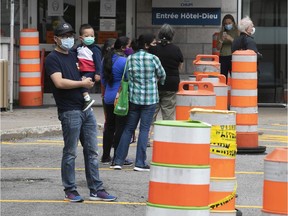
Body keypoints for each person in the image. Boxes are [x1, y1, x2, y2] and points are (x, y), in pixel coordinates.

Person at [44, 22, 116, 202]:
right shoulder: (52, 58)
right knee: (70, 152)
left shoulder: (74, 55)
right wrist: (82, 84)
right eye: (64, 36)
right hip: (69, 110)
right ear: (56, 39)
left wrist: (87, 80)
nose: (68, 39)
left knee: (92, 151)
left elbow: (81, 74)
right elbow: (59, 82)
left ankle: (96, 189)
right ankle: (70, 190)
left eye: (70, 36)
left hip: (85, 108)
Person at [112, 33, 166, 171]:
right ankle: (140, 163)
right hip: (150, 99)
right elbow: (162, 75)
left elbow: (125, 78)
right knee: (144, 129)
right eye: (153, 43)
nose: (155, 45)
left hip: (134, 99)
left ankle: (118, 160)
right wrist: (156, 80)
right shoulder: (154, 58)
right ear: (147, 45)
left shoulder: (130, 58)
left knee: (128, 129)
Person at [100, 36, 133, 166]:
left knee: (109, 127)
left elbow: (103, 80)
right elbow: (128, 79)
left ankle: (105, 156)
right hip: (121, 99)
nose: (131, 48)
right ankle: (118, 158)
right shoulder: (124, 61)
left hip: (108, 97)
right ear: (123, 47)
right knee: (121, 128)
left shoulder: (106, 59)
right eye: (129, 46)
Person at [149, 23, 184, 121]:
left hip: (155, 84)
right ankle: (166, 134)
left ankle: (147, 134)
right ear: (172, 35)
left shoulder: (153, 49)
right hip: (171, 84)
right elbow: (180, 66)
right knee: (168, 112)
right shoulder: (176, 49)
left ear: (159, 34)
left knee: (151, 112)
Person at [76, 24, 101, 111]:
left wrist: (98, 73)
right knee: (78, 85)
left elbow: (98, 62)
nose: (90, 37)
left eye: (92, 36)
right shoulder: (79, 48)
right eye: (86, 36)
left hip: (90, 71)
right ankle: (87, 105)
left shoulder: (95, 49)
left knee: (82, 84)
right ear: (81, 38)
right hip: (81, 71)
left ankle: (87, 99)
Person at [216, 14, 239, 80]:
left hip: (233, 56)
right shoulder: (221, 33)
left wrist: (231, 39)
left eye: (229, 23)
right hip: (223, 56)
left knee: (234, 77)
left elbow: (239, 44)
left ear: (233, 23)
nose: (227, 25)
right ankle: (223, 90)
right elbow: (218, 48)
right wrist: (221, 40)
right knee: (223, 78)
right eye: (225, 23)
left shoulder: (237, 32)